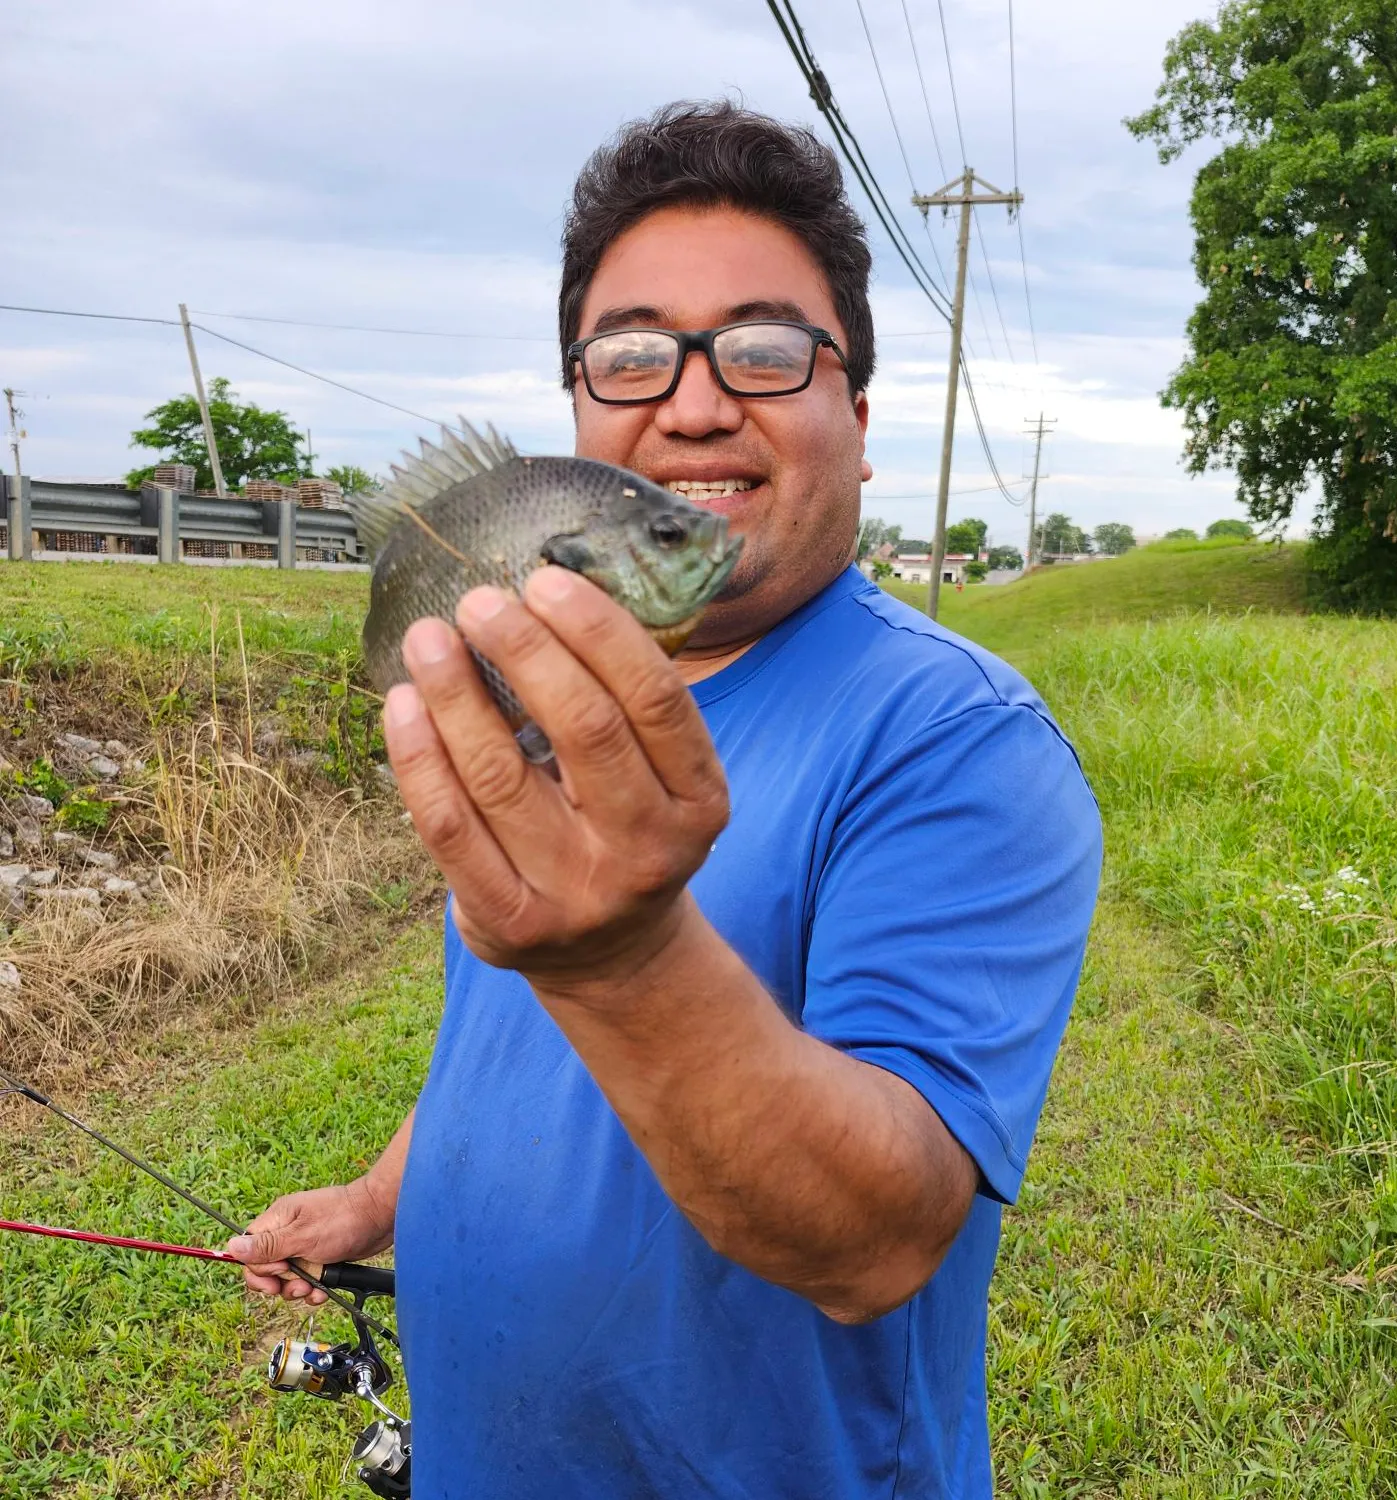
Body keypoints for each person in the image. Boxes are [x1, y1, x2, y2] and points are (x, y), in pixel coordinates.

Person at [229, 101, 1101, 1498]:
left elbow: (877, 1237)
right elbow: (504, 1035)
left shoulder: (957, 741)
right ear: (576, 424)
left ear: (860, 423)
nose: (694, 401)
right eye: (634, 355)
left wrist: (630, 957)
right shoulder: (540, 693)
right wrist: (375, 1200)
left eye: (765, 347)